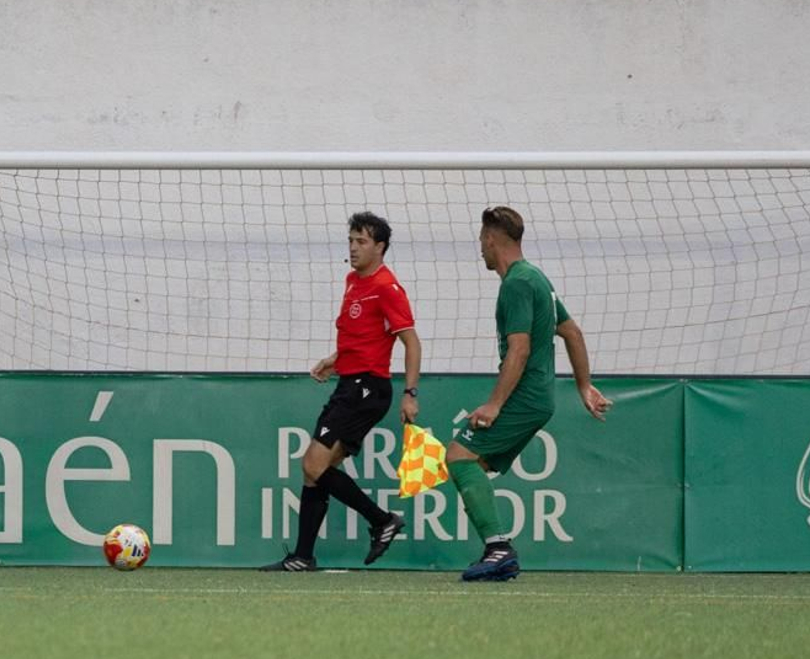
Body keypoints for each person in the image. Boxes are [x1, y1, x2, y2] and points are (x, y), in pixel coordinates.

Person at [450, 206, 611, 582]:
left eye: (481, 241)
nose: (480, 250)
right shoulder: (537, 278)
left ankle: (498, 549)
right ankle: (496, 550)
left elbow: (519, 350)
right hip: (540, 398)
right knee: (475, 465)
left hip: (524, 396)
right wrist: (584, 385)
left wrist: (494, 403)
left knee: (459, 457)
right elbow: (571, 332)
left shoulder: (517, 284)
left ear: (491, 239)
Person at [261, 212, 422, 571]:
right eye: (351, 240)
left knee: (312, 464)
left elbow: (411, 343)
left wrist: (410, 393)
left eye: (361, 241)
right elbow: (364, 335)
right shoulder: (353, 280)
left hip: (367, 389)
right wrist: (336, 359)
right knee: (315, 471)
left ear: (380, 247)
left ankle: (382, 520)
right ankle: (303, 556)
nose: (353, 247)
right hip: (350, 382)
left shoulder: (387, 287)